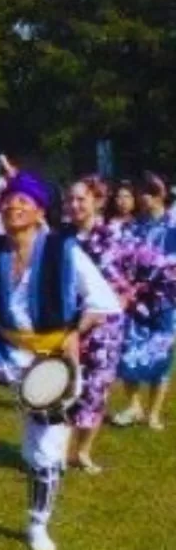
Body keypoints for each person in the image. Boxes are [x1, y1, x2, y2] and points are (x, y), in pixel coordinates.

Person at [0, 174, 120, 550]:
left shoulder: (62, 249)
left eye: (23, 200)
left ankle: (38, 523)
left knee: (45, 446)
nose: (13, 206)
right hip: (1, 351)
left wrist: (74, 331)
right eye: (8, 200)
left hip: (52, 360)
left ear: (40, 210)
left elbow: (104, 301)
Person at [63, 179, 130, 472]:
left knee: (96, 391)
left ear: (98, 200)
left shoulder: (116, 237)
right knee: (64, 389)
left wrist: (125, 297)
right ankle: (60, 452)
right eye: (70, 200)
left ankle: (83, 451)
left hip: (104, 328)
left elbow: (141, 271)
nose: (75, 205)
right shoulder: (62, 238)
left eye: (81, 199)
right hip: (69, 326)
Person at [112, 173, 176, 430]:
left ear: (160, 194)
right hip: (137, 300)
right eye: (142, 194)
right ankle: (134, 405)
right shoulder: (135, 227)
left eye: (147, 194)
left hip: (167, 300)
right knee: (129, 351)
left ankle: (154, 412)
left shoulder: (172, 225)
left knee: (162, 353)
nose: (143, 199)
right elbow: (123, 258)